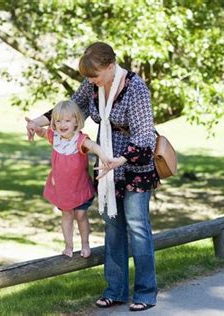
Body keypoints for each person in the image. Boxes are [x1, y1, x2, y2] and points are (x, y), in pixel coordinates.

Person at [26, 42, 159, 312]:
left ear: (111, 67)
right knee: (112, 225)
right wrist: (36, 123)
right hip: (106, 161)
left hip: (134, 163)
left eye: (95, 75)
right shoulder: (93, 84)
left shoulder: (135, 88)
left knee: (137, 227)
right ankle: (116, 290)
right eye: (88, 76)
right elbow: (70, 110)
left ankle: (145, 292)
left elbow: (145, 135)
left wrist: (120, 160)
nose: (90, 80)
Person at [26, 100, 110, 258]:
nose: (62, 124)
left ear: (76, 121)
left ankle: (85, 243)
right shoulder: (55, 137)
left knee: (80, 215)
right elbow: (43, 132)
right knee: (67, 215)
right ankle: (68, 245)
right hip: (63, 189)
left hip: (79, 189)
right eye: (58, 121)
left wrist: (104, 157)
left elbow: (94, 146)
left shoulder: (80, 140)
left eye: (67, 120)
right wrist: (36, 127)